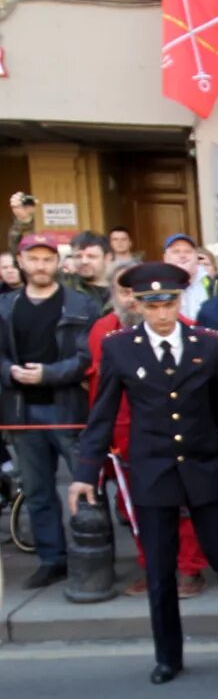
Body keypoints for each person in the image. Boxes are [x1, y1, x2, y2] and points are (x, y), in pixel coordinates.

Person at [68, 264, 218, 681]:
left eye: (168, 302)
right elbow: (103, 413)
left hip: (205, 468)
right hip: (152, 471)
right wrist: (85, 472)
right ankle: (168, 655)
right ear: (137, 304)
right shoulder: (120, 348)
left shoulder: (209, 344)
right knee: (160, 571)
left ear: (180, 300)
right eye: (152, 305)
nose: (162, 313)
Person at [0, 232, 100, 587]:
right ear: (21, 263)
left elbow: (87, 357)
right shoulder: (6, 306)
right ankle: (51, 558)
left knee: (86, 487)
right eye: (33, 259)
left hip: (67, 409)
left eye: (47, 259)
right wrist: (9, 372)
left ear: (57, 263)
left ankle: (95, 554)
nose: (40, 266)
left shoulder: (80, 305)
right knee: (38, 491)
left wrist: (48, 374)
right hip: (21, 412)